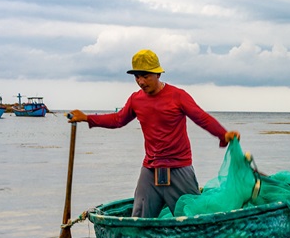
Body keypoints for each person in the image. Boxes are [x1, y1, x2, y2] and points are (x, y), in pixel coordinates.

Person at [68, 50, 240, 218]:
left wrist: (223, 134)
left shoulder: (178, 96)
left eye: (145, 76)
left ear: (158, 74)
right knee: (139, 218)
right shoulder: (136, 99)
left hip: (179, 166)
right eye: (137, 77)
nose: (141, 81)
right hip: (150, 168)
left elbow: (201, 117)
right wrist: (87, 118)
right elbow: (118, 120)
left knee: (192, 217)